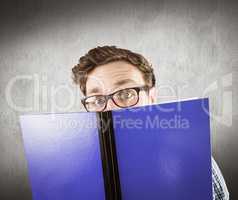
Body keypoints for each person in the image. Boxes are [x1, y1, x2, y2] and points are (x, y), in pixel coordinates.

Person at [72, 45, 229, 200]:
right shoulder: (72, 165)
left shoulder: (194, 160)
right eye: (98, 100)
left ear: (151, 96)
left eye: (126, 94)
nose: (110, 109)